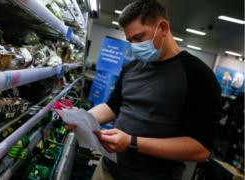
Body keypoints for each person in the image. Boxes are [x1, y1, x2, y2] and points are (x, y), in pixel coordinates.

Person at [67, 0, 222, 179]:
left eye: (139, 38)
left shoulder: (198, 76)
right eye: (130, 40)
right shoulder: (131, 67)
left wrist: (132, 143)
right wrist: (84, 119)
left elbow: (200, 149)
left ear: (162, 28)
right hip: (107, 169)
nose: (134, 46)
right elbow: (112, 106)